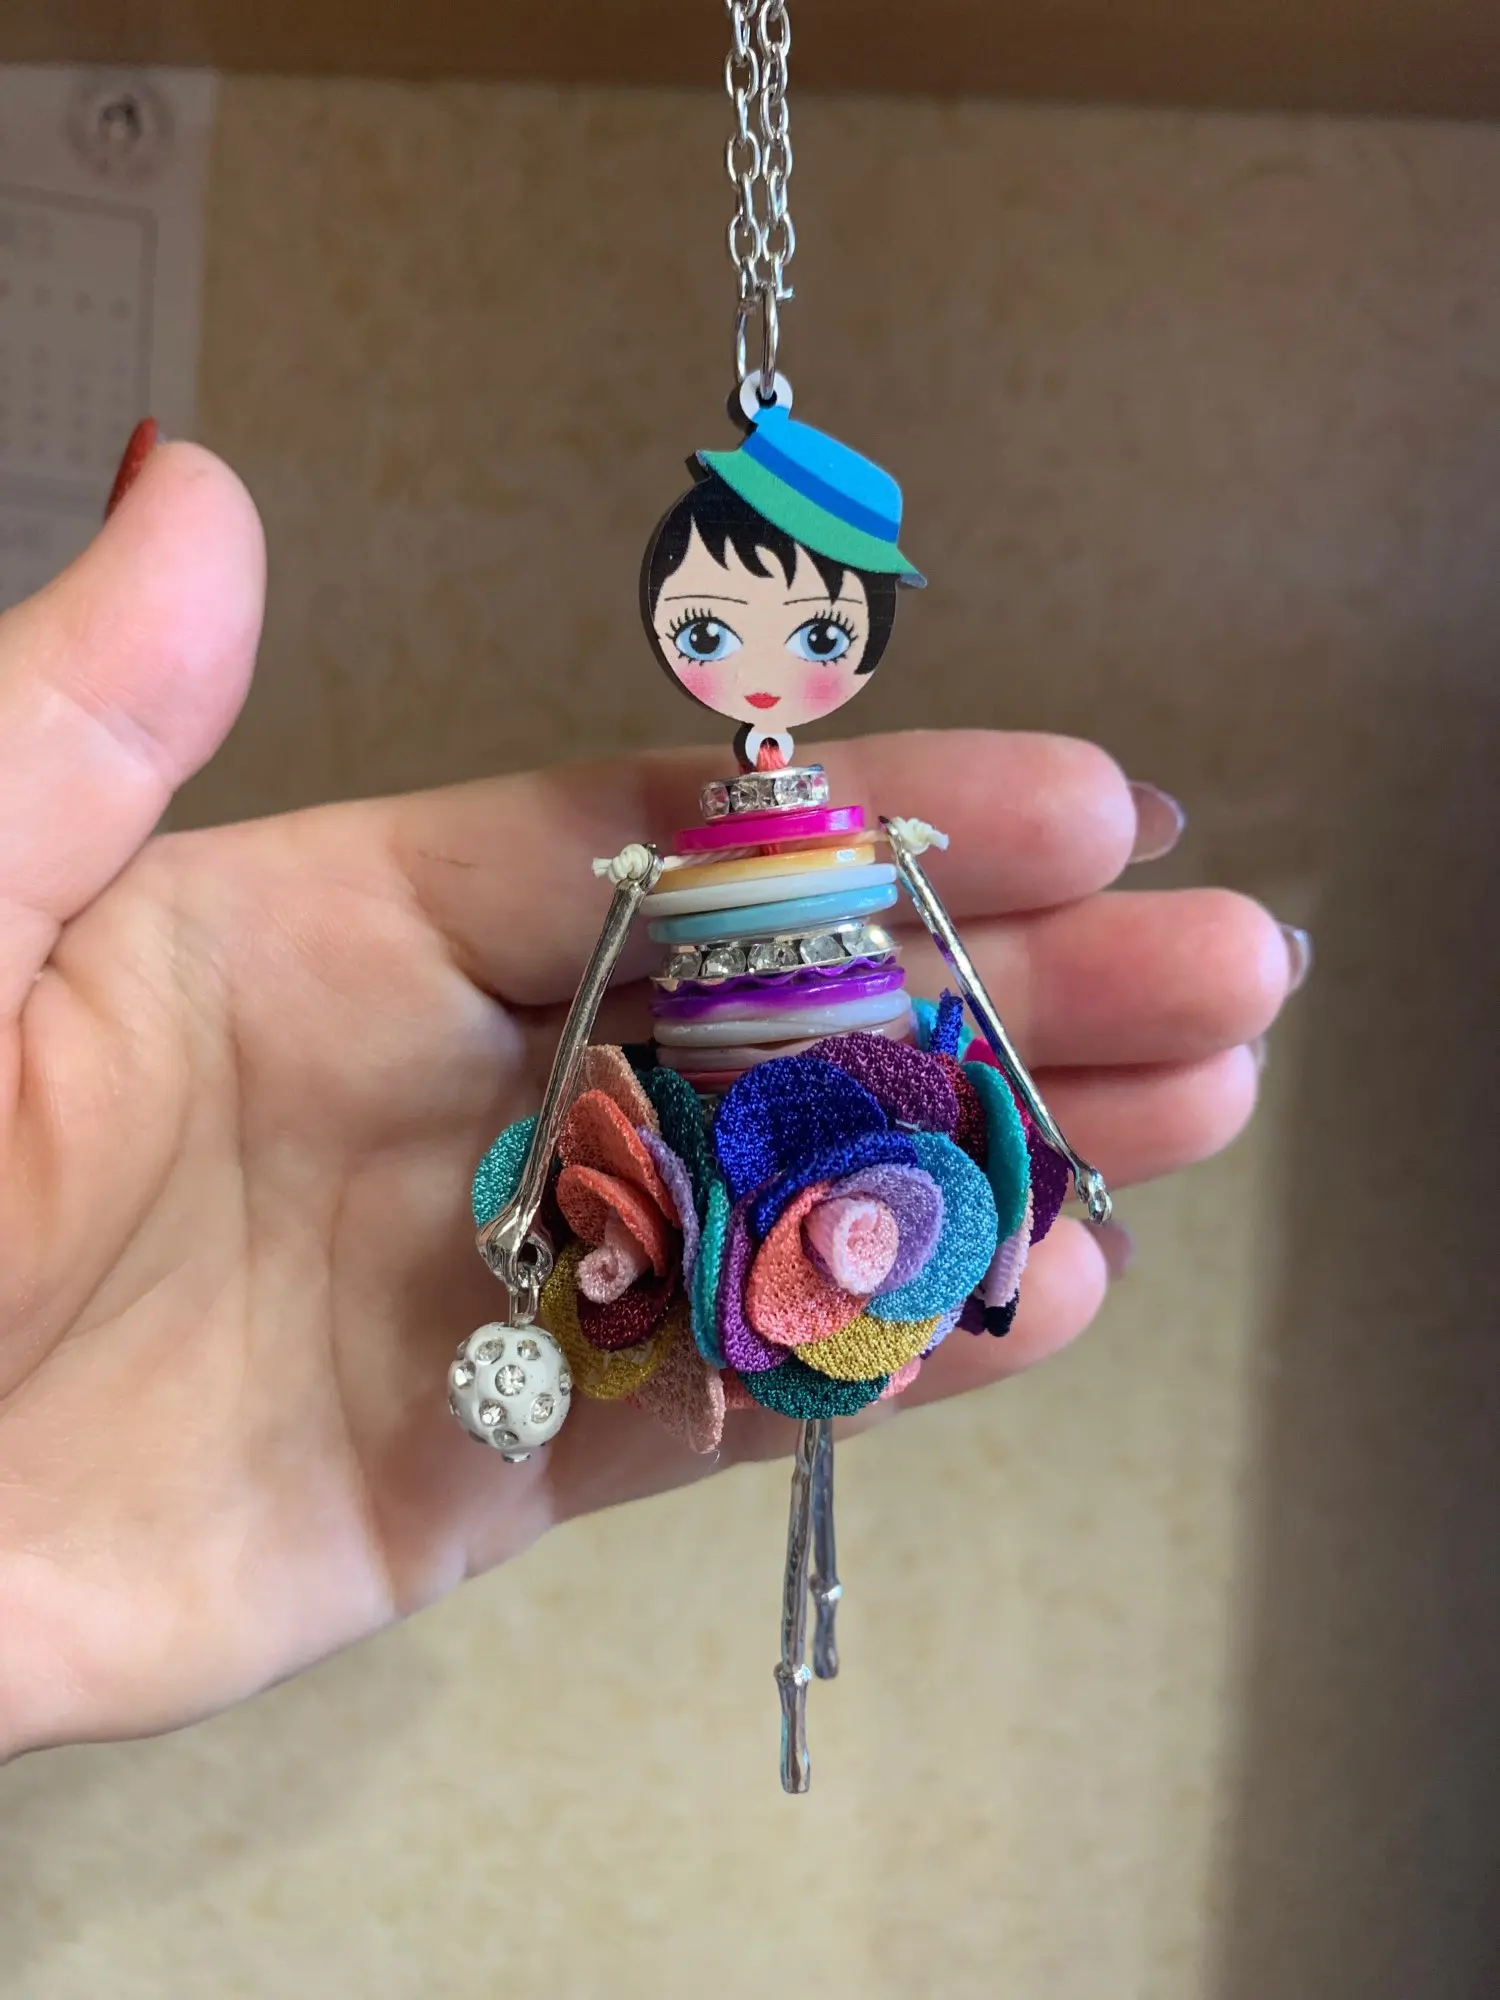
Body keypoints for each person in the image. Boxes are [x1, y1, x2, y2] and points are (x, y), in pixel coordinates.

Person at [0, 435, 1304, 1760]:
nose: (763, 669)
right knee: (800, 1384)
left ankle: (808, 1623)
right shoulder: (696, 879)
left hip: (853, 1126)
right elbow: (597, 1015)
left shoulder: (860, 862)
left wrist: (1042, 1133)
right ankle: (805, 1632)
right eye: (714, 626)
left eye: (815, 628)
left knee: (826, 1380)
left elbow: (956, 971)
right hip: (731, 1140)